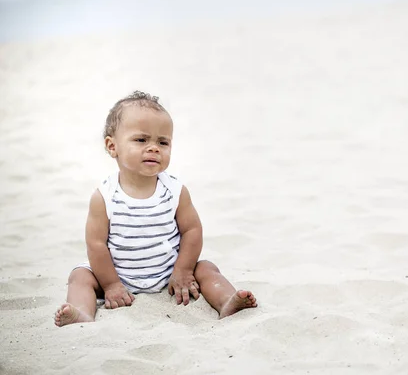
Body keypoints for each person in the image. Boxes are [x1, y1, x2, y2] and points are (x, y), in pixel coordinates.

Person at [54, 91, 257, 327]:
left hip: (168, 273)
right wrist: (111, 284)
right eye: (141, 140)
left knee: (206, 268)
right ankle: (82, 312)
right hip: (117, 276)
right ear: (112, 146)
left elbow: (192, 230)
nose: (154, 148)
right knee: (79, 276)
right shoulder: (104, 196)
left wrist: (182, 270)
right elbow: (96, 245)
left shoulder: (175, 191)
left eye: (163, 142)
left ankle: (226, 301)